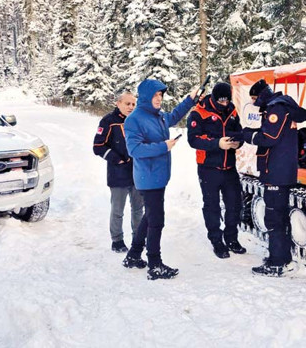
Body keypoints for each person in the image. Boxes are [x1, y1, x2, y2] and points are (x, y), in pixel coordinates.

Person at [122, 79, 198, 280]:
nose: (159, 99)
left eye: (161, 95)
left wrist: (190, 100)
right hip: (148, 178)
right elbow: (134, 149)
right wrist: (164, 146)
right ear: (146, 96)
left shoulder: (159, 117)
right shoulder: (134, 120)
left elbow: (174, 115)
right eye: (155, 95)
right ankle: (154, 264)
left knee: (149, 216)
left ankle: (133, 255)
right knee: (157, 220)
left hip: (159, 176)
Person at [242, 78, 306, 277]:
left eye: (255, 99)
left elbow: (269, 138)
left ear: (261, 95)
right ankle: (282, 257)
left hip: (276, 172)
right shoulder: (279, 107)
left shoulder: (276, 109)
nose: (254, 103)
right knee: (278, 216)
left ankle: (276, 262)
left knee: (274, 218)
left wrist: (246, 135)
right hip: (279, 170)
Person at [187, 82, 246, 259]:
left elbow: (239, 133)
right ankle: (216, 240)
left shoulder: (232, 111)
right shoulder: (199, 112)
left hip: (229, 167)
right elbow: (193, 140)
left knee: (234, 204)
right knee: (212, 206)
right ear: (213, 98)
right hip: (208, 168)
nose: (224, 104)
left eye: (226, 100)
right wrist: (217, 143)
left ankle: (231, 238)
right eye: (220, 101)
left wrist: (238, 142)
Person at [93, 91, 142, 253]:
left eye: (133, 104)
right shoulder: (108, 121)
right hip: (118, 174)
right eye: (127, 104)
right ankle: (117, 240)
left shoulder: (137, 121)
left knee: (138, 209)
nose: (131, 107)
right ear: (118, 104)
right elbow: (98, 146)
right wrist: (117, 158)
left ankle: (139, 238)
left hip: (137, 174)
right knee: (117, 210)